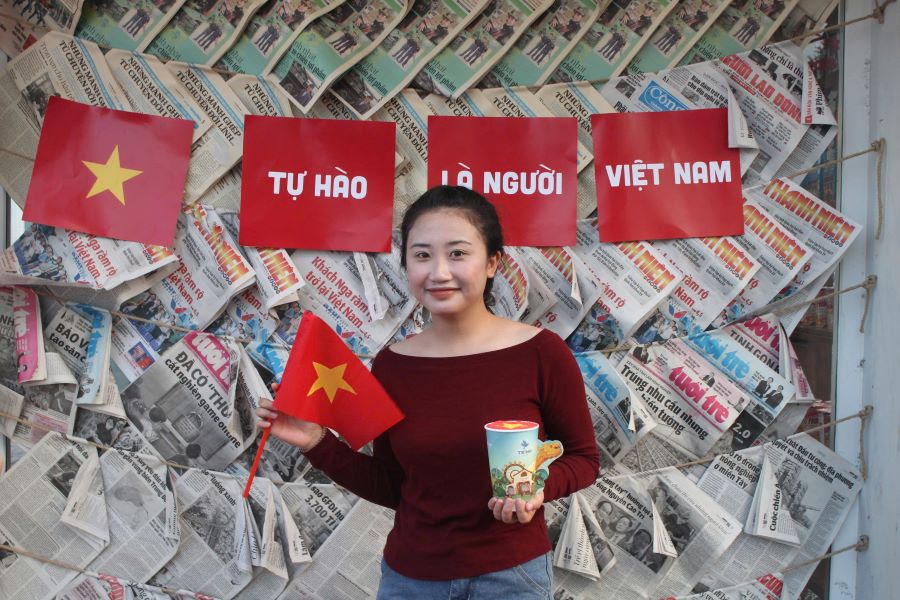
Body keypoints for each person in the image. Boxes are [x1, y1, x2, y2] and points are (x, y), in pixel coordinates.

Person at [257, 186, 599, 599]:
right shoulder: (392, 365)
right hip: (411, 580)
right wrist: (313, 440)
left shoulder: (542, 353)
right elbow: (392, 486)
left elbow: (584, 459)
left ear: (492, 263)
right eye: (422, 255)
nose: (438, 272)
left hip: (512, 578)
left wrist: (539, 487)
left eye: (457, 253)